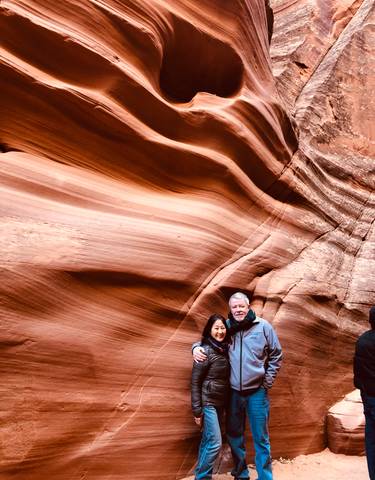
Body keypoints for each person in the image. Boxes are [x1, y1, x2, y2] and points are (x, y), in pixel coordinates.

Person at [193, 292, 282, 480]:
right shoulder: (227, 327)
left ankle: (265, 477)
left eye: (241, 306)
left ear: (248, 306)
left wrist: (267, 381)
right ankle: (241, 474)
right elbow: (210, 336)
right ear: (231, 309)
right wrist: (195, 348)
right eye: (235, 307)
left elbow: (276, 355)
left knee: (261, 437)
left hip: (257, 391)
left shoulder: (263, 326)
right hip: (233, 392)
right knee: (235, 436)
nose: (238, 310)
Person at [191, 313, 230, 480]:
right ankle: (202, 477)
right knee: (215, 443)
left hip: (220, 403)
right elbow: (194, 382)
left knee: (208, 440)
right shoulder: (203, 352)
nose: (220, 331)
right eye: (216, 328)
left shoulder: (227, 349)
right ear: (209, 330)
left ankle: (202, 476)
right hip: (208, 403)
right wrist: (197, 411)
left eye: (222, 328)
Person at [354, 306, 375, 480]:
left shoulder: (362, 341)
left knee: (372, 441)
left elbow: (357, 372)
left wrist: (364, 392)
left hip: (369, 397)